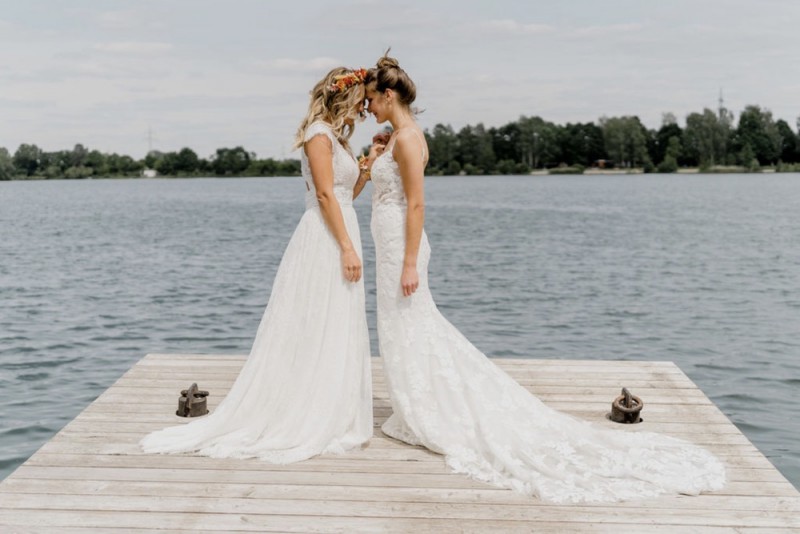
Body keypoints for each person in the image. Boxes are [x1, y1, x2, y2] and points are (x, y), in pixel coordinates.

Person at [364, 53, 726, 503]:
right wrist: (373, 159)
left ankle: (427, 411)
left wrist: (411, 261)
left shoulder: (409, 139)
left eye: (372, 100)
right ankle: (415, 405)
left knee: (413, 327)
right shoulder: (395, 138)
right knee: (405, 330)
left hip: (404, 248)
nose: (369, 109)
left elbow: (416, 204)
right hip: (392, 246)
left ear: (390, 94)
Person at [140, 66, 375, 463]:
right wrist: (348, 249)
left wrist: (365, 172)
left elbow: (344, 196)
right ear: (344, 96)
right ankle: (302, 410)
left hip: (341, 229)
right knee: (315, 318)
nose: (365, 109)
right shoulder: (319, 135)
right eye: (361, 102)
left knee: (333, 320)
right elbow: (323, 196)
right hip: (326, 238)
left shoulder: (337, 139)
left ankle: (329, 403)